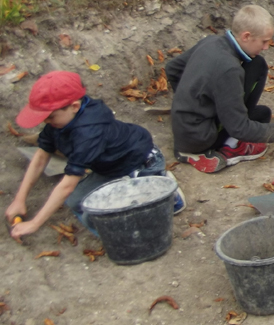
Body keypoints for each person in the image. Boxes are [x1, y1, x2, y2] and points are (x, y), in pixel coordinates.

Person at [6, 71, 184, 241]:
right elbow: (41, 157)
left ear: (74, 106)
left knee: (99, 219)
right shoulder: (60, 122)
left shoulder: (88, 133)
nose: (47, 122)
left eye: (50, 117)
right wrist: (19, 200)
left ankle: (164, 190)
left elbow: (67, 185)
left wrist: (34, 224)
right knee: (76, 202)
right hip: (110, 165)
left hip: (140, 160)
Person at [167, 4, 274, 173]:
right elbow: (239, 128)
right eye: (264, 41)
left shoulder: (212, 41)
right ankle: (227, 146)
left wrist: (186, 100)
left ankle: (232, 121)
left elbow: (172, 68)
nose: (266, 47)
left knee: (258, 74)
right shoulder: (229, 69)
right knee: (252, 123)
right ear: (246, 36)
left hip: (186, 125)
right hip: (200, 137)